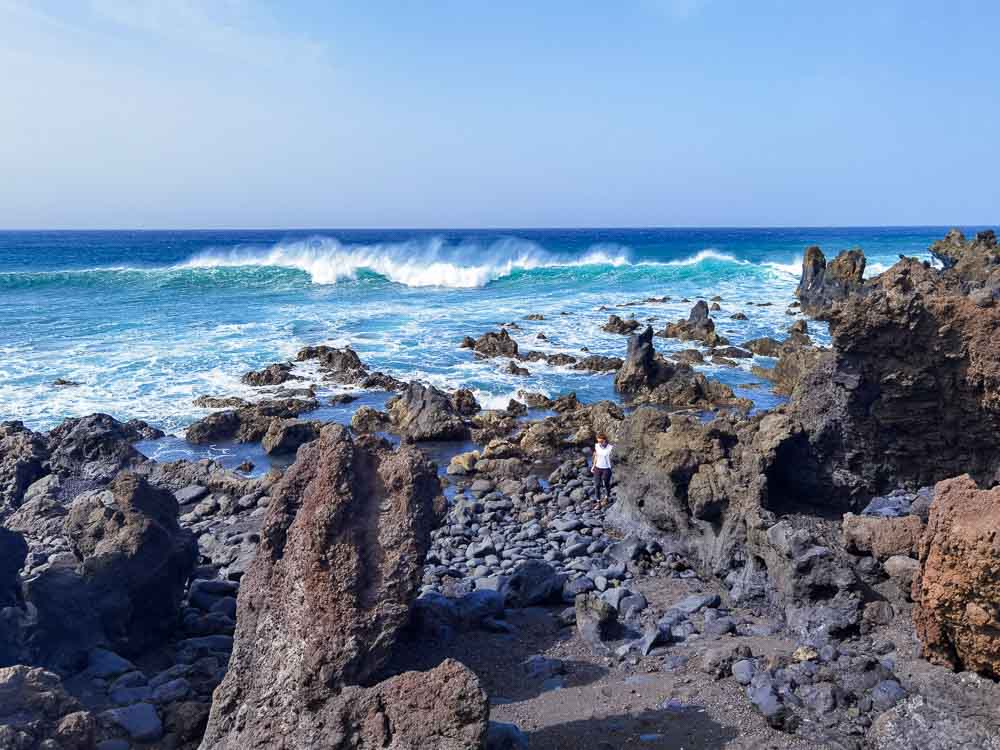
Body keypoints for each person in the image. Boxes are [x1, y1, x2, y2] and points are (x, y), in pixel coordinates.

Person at [591, 432, 614, 505]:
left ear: (605, 440)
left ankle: (607, 498)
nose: (599, 443)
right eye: (598, 441)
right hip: (598, 467)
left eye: (601, 441)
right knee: (597, 485)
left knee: (606, 483)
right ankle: (598, 503)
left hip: (607, 468)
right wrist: (593, 466)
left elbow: (613, 459)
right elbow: (596, 456)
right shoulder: (597, 446)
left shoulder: (610, 448)